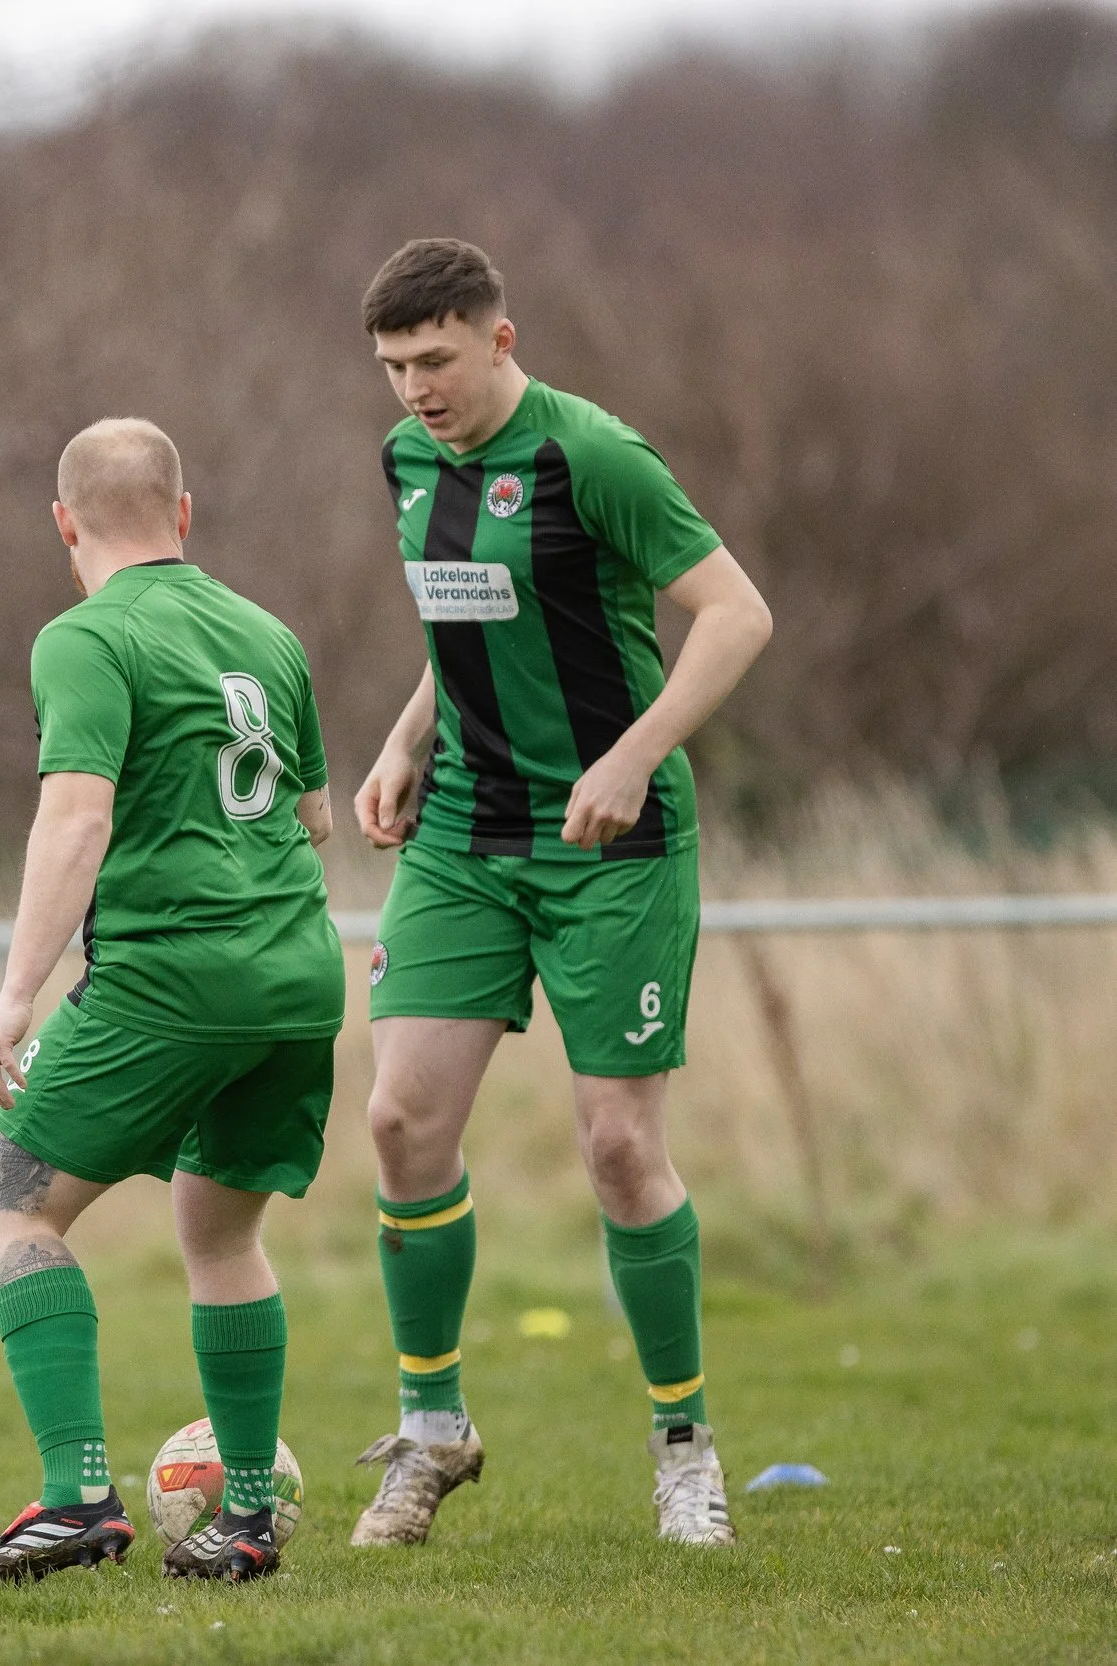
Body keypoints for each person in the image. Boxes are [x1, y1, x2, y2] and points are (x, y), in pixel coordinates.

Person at [351, 239, 773, 1549]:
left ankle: (684, 1442)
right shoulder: (407, 458)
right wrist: (407, 736)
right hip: (468, 834)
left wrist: (636, 755)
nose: (415, 388)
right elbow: (463, 617)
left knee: (618, 1148)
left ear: (500, 339)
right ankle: (431, 1430)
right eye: (393, 366)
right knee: (400, 1122)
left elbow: (738, 613)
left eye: (435, 359)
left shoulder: (592, 456)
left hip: (613, 847)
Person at [0, 419, 343, 1586]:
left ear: (64, 524)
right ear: (184, 514)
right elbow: (313, 820)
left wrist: (13, 997)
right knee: (219, 1230)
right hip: (298, 968)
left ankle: (77, 1494)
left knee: (10, 1207)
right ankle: (248, 1522)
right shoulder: (266, 632)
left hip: (174, 974)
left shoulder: (83, 637)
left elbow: (76, 817)